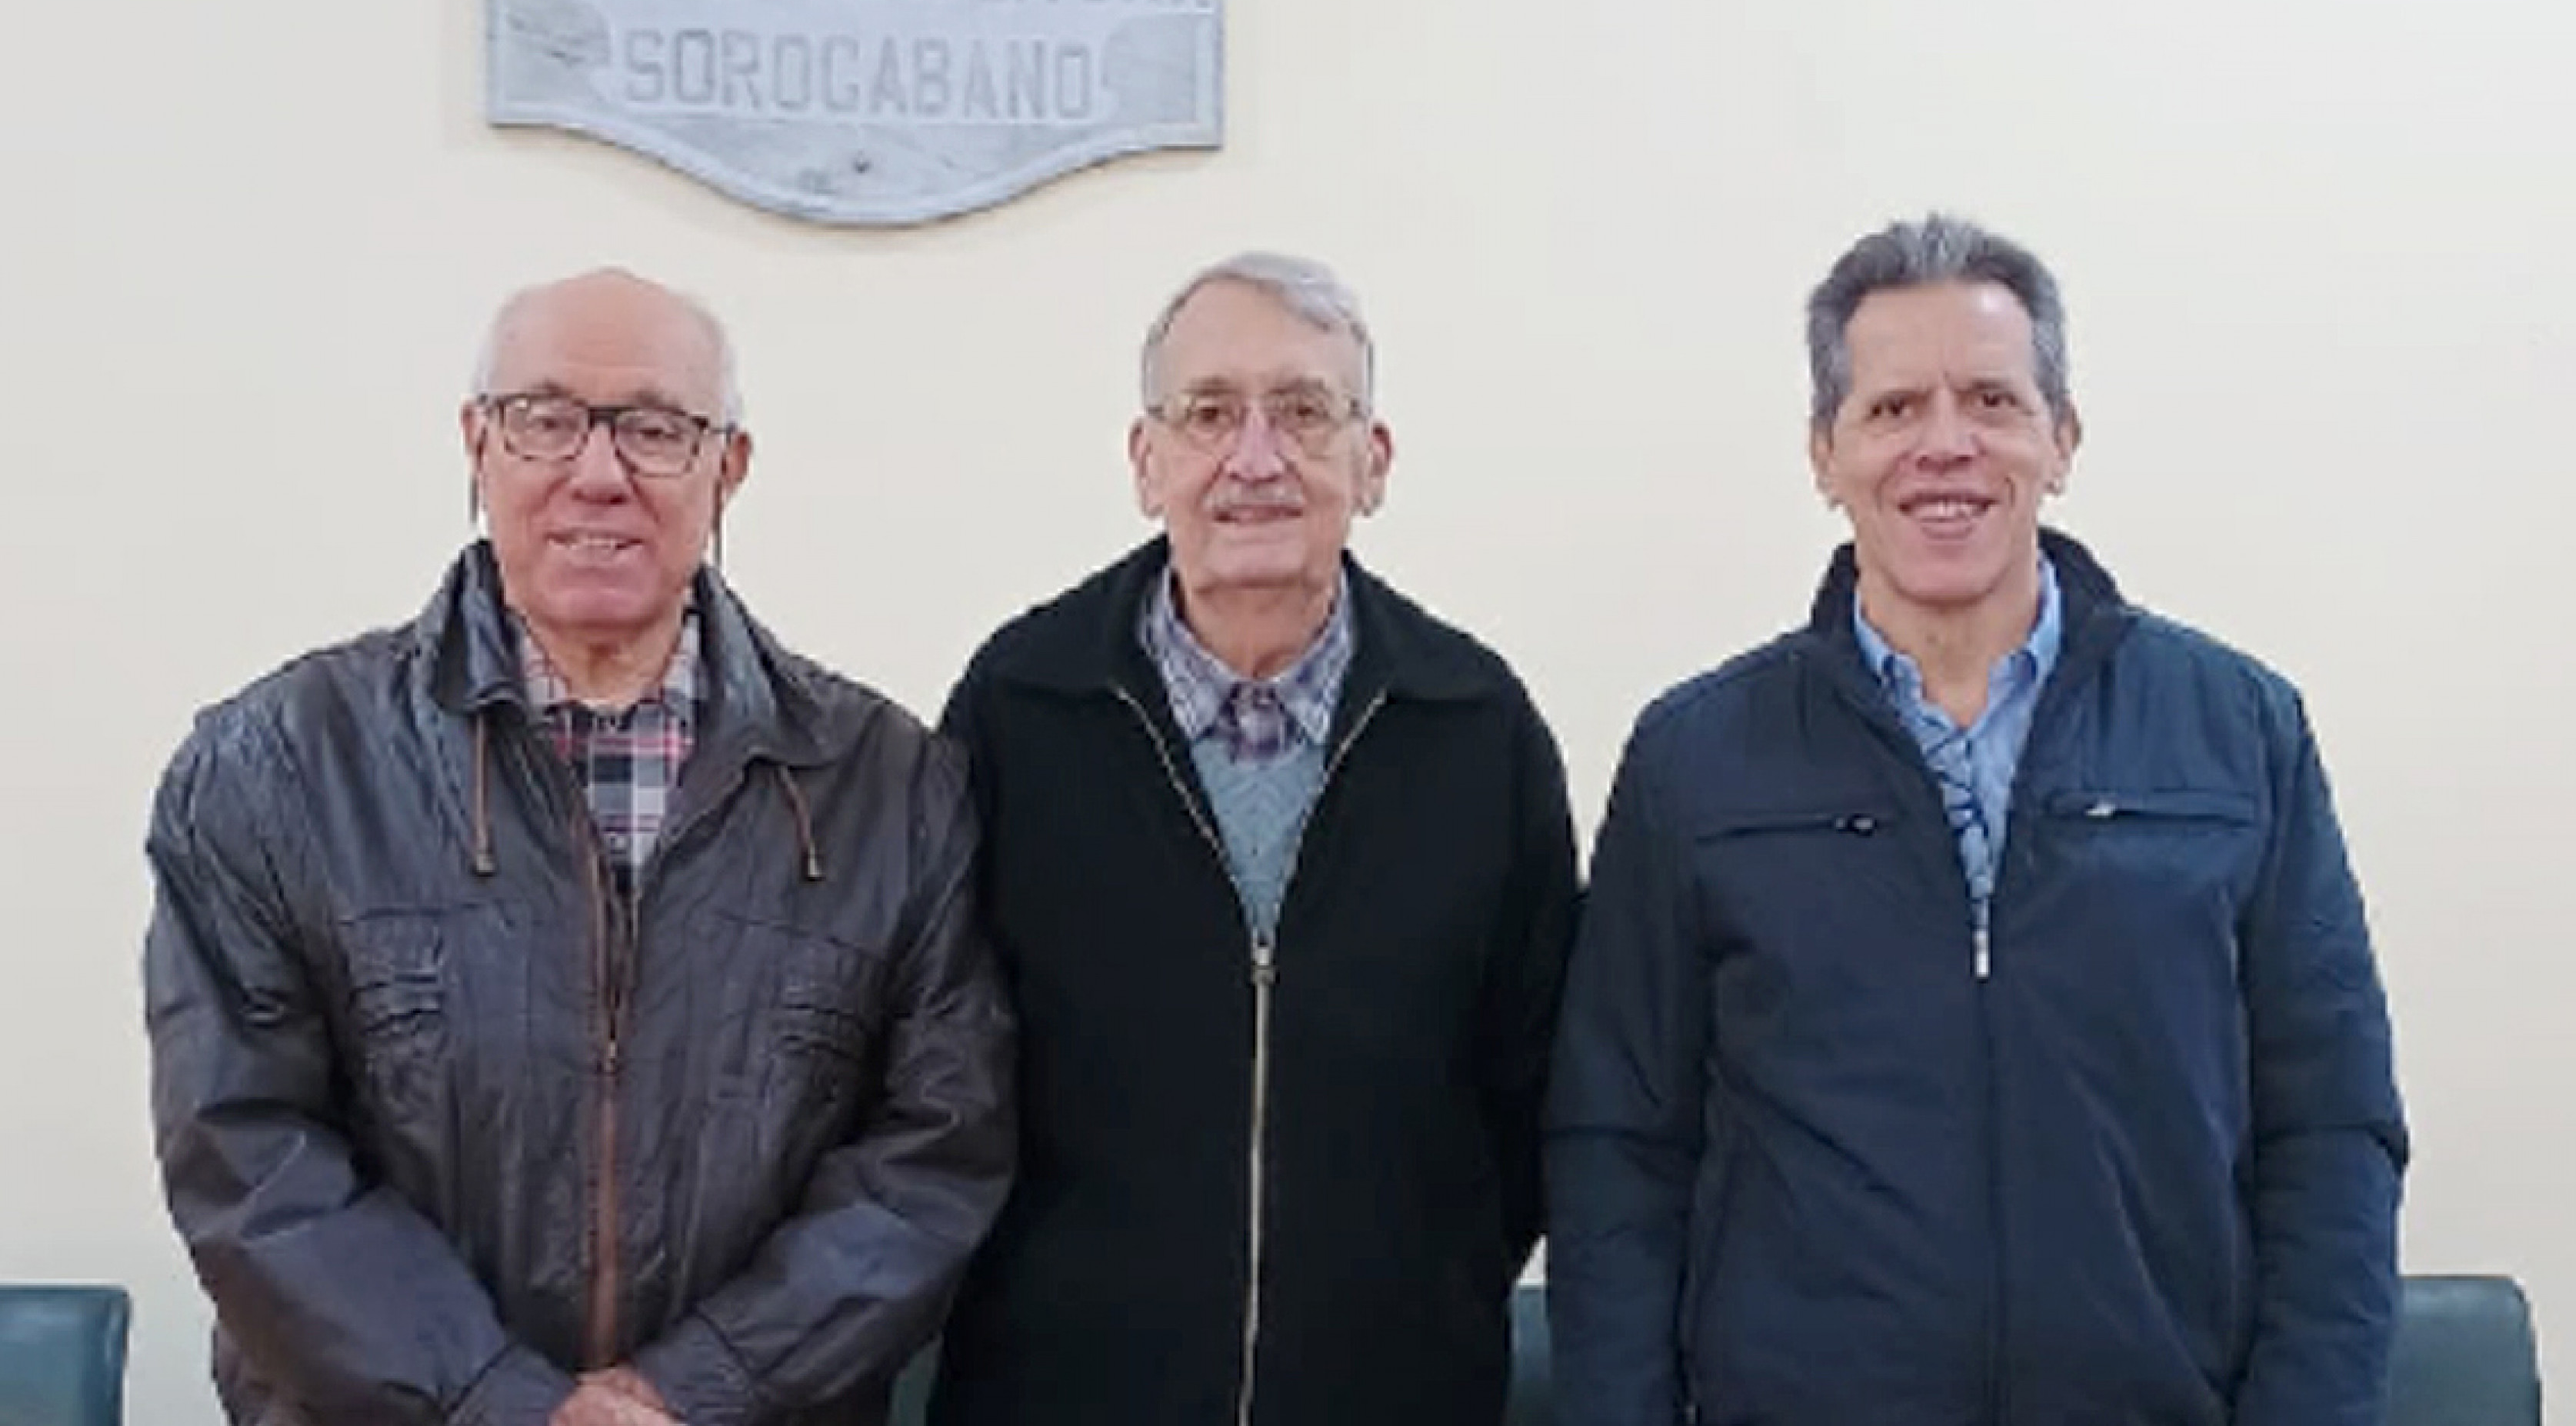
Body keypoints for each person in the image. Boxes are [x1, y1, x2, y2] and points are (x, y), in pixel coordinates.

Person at [1546, 214, 2407, 1424]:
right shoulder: (1696, 759)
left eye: (1991, 401)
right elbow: (1617, 1148)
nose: (1943, 446)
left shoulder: (2238, 730)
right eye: (1894, 409)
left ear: (2060, 439)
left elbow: (2331, 1127)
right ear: (1823, 452)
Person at [144, 268, 1015, 1426]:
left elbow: (935, 1154)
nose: (596, 474)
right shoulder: (276, 768)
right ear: (477, 444)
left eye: (656, 428)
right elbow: (246, 1154)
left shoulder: (886, 786)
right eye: (544, 418)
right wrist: (507, 1405)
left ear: (728, 468)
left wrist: (685, 1393)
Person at [928, 252, 1580, 1425]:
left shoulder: (1475, 728)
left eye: (1303, 411)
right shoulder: (1020, 709)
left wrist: (1408, 1292)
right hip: (1057, 1393)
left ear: (1371, 462)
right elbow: (938, 1063)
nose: (1254, 457)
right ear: (1146, 460)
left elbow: (1536, 1090)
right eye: (1209, 411)